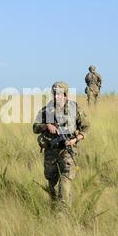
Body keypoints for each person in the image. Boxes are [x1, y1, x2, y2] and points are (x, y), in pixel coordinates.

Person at [33, 81, 89, 209]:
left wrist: (75, 139)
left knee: (65, 183)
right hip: (51, 152)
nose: (56, 96)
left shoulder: (75, 109)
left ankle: (62, 214)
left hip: (67, 152)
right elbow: (35, 128)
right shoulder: (46, 110)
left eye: (59, 94)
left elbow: (86, 128)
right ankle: (53, 207)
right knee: (51, 184)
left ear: (65, 95)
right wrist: (46, 126)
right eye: (54, 94)